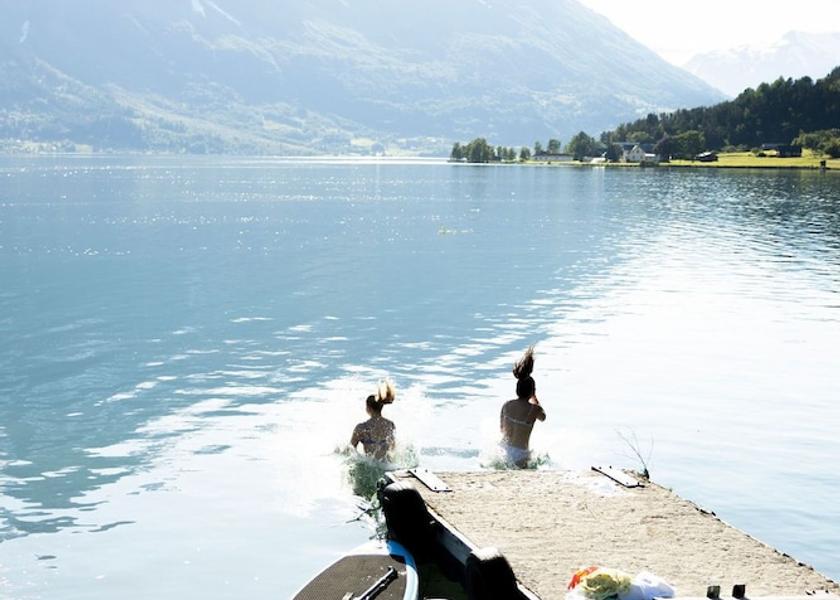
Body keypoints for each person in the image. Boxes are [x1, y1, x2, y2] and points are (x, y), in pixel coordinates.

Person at [500, 347, 546, 468]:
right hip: (520, 455)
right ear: (532, 391)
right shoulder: (534, 409)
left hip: (503, 451)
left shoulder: (506, 405)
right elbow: (543, 418)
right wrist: (534, 397)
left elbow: (502, 429)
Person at [350, 381, 396, 461]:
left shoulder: (361, 428)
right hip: (387, 464)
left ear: (368, 408)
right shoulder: (390, 425)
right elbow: (393, 449)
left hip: (370, 464)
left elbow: (350, 450)